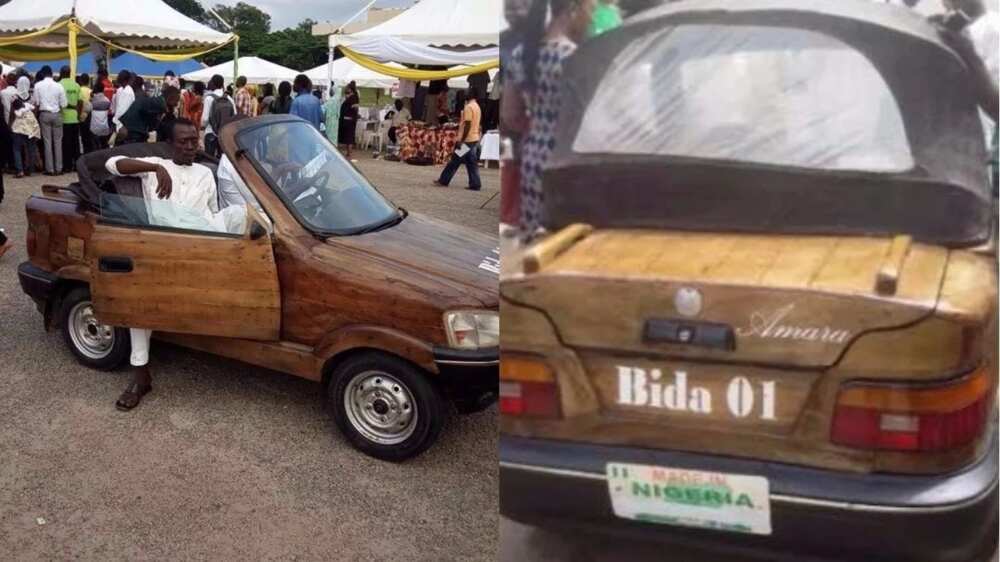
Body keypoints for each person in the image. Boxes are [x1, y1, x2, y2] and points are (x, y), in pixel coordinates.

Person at [105, 119, 243, 411]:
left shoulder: (206, 173)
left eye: (194, 141)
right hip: (164, 249)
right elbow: (112, 163)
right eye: (184, 141)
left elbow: (214, 212)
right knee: (138, 304)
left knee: (245, 214)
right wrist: (155, 168)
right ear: (170, 144)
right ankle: (140, 375)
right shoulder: (154, 165)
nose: (191, 146)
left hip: (202, 243)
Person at [509, 0, 595, 240]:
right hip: (568, 159)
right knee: (564, 237)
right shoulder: (576, 57)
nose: (591, 16)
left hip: (533, 155)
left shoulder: (523, 55)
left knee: (534, 233)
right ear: (573, 9)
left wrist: (538, 128)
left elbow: (510, 115)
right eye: (591, 9)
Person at [434, 87, 484, 190]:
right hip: (474, 138)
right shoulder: (476, 106)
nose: (464, 93)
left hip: (467, 140)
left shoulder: (468, 107)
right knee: (471, 162)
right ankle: (475, 184)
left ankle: (444, 180)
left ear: (471, 94)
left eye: (467, 92)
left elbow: (467, 125)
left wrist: (461, 140)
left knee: (455, 161)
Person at [32, 65, 68, 176]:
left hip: (44, 114)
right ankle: (59, 168)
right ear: (52, 74)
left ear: (42, 74)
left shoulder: (38, 85)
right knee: (58, 142)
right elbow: (64, 104)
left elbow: (36, 103)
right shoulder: (59, 86)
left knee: (47, 142)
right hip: (57, 115)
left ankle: (50, 169)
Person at [9, 82, 40, 178]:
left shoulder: (14, 97)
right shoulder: (31, 98)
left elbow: (11, 113)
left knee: (17, 148)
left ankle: (20, 170)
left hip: (18, 127)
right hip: (30, 126)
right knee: (30, 147)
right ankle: (29, 169)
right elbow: (35, 111)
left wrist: (10, 125)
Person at [58, 66, 82, 172]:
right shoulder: (76, 85)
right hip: (75, 117)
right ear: (70, 73)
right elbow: (80, 102)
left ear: (61, 73)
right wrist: (78, 113)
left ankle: (67, 166)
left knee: (65, 143)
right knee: (75, 143)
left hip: (64, 118)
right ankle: (77, 165)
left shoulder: (59, 85)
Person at [201, 74, 227, 155]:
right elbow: (234, 115)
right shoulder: (228, 98)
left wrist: (202, 127)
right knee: (222, 158)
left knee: (209, 159)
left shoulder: (209, 98)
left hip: (210, 133)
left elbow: (205, 119)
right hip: (224, 134)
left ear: (213, 83)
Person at [338, 82, 360, 160]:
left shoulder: (353, 97)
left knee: (349, 136)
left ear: (350, 89)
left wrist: (353, 110)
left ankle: (349, 152)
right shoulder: (352, 97)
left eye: (347, 88)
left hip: (349, 119)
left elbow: (355, 107)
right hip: (348, 119)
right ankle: (348, 152)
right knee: (348, 136)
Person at [78, 73, 94, 155]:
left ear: (80, 81)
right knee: (88, 137)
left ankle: (82, 153)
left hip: (80, 116)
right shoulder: (91, 91)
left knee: (81, 137)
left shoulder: (79, 90)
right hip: (89, 117)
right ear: (88, 82)